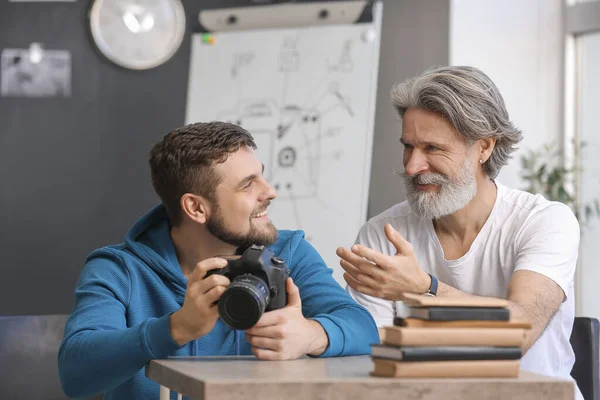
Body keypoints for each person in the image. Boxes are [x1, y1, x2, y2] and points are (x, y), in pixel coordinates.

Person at [58, 121, 379, 399]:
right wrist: (176, 329)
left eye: (261, 177)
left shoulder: (288, 253)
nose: (270, 192)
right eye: (247, 185)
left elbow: (364, 329)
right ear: (196, 208)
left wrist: (311, 334)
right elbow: (76, 373)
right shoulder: (119, 270)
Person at [336, 66, 581, 395]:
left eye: (433, 149)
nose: (412, 166)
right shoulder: (381, 234)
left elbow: (520, 331)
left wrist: (426, 289)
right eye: (408, 146)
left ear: (484, 148)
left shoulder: (545, 222)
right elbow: (371, 359)